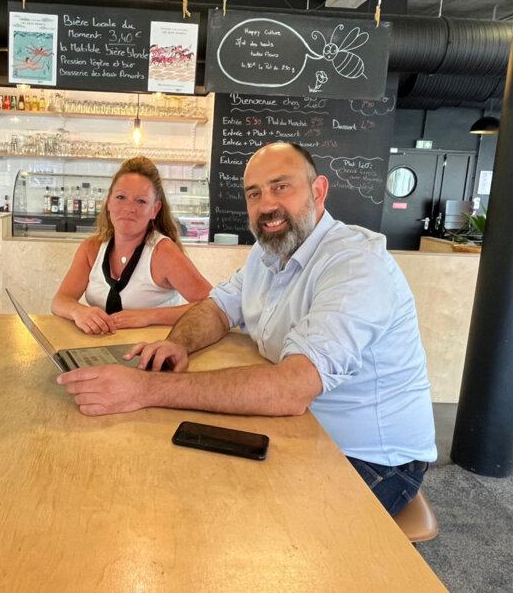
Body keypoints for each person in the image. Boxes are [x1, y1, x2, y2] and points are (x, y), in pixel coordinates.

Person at [57, 142, 437, 516]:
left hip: (370, 458)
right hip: (301, 431)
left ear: (318, 191)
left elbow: (292, 389)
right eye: (254, 194)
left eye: (281, 187)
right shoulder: (269, 251)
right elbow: (218, 308)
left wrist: (145, 388)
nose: (266, 204)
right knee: (171, 481)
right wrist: (178, 344)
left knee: (235, 517)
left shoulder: (355, 265)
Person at [51, 156, 212, 334]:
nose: (129, 208)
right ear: (109, 203)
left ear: (155, 209)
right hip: (101, 349)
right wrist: (78, 311)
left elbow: (212, 305)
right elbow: (60, 300)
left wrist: (148, 317)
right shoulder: (91, 248)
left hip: (154, 352)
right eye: (121, 197)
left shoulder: (163, 252)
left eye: (141, 201)